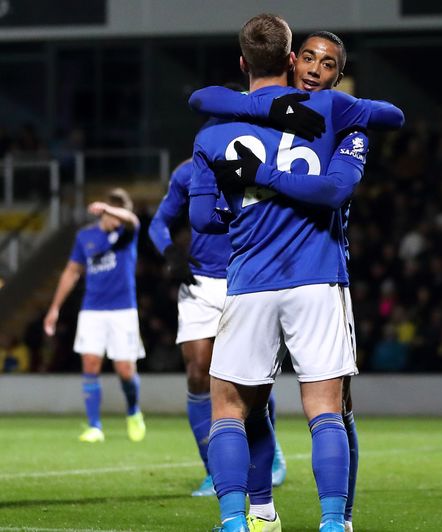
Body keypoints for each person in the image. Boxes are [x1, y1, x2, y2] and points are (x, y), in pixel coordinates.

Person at [187, 13, 402, 532]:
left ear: (243, 63)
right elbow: (392, 117)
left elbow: (200, 219)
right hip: (318, 277)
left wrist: (245, 193)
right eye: (308, 57)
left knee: (231, 408)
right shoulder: (334, 112)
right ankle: (332, 522)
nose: (315, 69)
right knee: (327, 408)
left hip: (248, 281)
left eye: (328, 64)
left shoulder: (216, 133)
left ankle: (240, 518)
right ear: (290, 60)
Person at [149, 155, 288, 497]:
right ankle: (215, 472)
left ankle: (269, 454)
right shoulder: (188, 171)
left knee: (249, 380)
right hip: (198, 285)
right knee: (199, 374)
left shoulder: (262, 158)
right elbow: (158, 224)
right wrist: (170, 254)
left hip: (245, 279)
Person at [43, 189, 147, 443]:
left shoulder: (127, 232)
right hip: (92, 309)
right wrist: (54, 308)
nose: (118, 220)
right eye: (113, 214)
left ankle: (133, 412)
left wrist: (112, 211)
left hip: (123, 309)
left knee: (125, 369)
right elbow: (71, 272)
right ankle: (94, 426)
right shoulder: (85, 237)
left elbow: (132, 220)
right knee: (90, 364)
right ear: (103, 214)